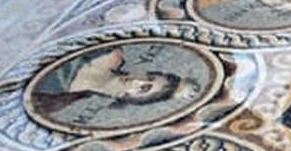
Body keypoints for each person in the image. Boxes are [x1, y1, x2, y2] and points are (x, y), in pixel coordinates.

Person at [31, 47, 192, 115]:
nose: (137, 80)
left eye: (143, 89)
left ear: (129, 99)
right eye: (149, 77)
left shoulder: (53, 101)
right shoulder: (112, 53)